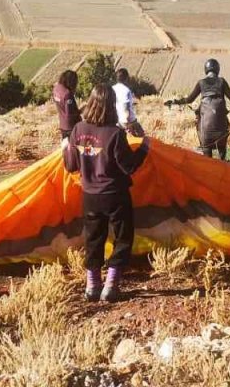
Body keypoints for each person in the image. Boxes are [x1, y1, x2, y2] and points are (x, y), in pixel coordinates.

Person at [63, 85, 148, 302]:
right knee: (123, 237)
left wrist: (66, 147)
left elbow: (71, 166)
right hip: (115, 195)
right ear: (111, 105)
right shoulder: (115, 134)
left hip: (90, 196)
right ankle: (111, 285)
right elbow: (128, 166)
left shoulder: (78, 130)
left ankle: (92, 286)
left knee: (93, 239)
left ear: (90, 102)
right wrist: (144, 147)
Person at [164, 58, 230, 160]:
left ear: (206, 70)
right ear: (217, 69)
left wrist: (175, 102)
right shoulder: (222, 81)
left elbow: (189, 100)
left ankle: (208, 162)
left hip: (206, 133)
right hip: (221, 133)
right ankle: (222, 163)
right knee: (223, 142)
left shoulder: (201, 83)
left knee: (201, 130)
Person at [112, 69, 144, 137]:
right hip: (128, 121)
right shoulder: (126, 90)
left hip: (117, 120)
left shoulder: (112, 89)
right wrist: (128, 123)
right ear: (126, 78)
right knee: (141, 138)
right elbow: (126, 107)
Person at [53, 70, 81, 140]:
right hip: (71, 128)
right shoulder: (67, 94)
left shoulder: (56, 88)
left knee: (66, 148)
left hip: (62, 125)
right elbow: (70, 115)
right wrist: (81, 110)